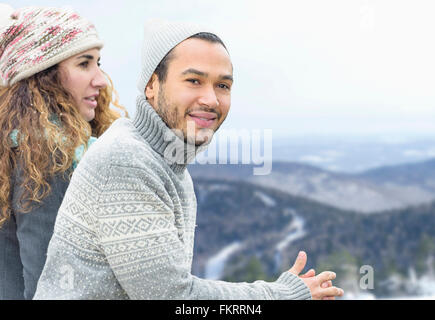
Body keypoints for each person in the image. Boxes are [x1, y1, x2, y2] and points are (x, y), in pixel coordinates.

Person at [34, 19, 343, 300]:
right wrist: (281, 296)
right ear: (152, 86)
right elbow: (172, 296)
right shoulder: (126, 160)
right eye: (194, 81)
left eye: (222, 85)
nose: (210, 99)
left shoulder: (167, 161)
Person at [0, 5, 126, 300]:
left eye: (98, 63)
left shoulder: (16, 148)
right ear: (45, 77)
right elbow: (50, 285)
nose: (101, 80)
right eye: (84, 64)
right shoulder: (47, 156)